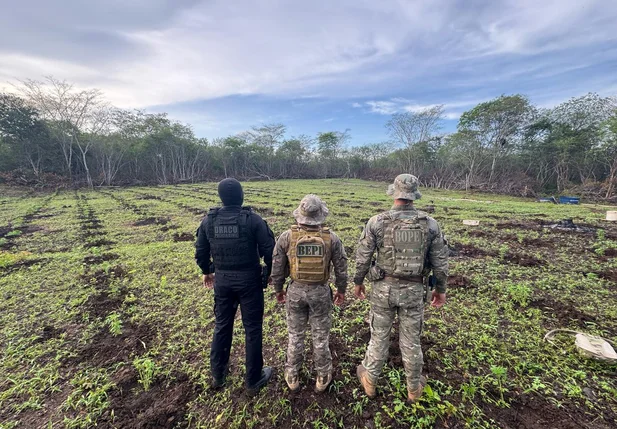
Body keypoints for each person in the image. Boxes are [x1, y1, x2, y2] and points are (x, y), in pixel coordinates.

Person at [353, 174, 449, 402]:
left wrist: (357, 283)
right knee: (411, 340)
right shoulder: (430, 224)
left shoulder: (377, 221)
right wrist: (441, 289)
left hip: (383, 290)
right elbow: (440, 263)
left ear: (394, 193)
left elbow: (362, 257)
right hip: (415, 291)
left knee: (378, 336)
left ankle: (371, 380)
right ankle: (414, 388)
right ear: (414, 195)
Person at [195, 178, 275, 397]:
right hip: (249, 281)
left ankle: (218, 375)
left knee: (222, 325)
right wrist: (269, 274)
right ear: (241, 196)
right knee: (252, 328)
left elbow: (201, 251)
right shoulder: (253, 220)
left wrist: (207, 271)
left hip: (222, 280)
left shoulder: (208, 221)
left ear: (221, 198)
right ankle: (253, 379)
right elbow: (271, 251)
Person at [270, 194, 348, 393]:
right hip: (321, 293)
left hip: (295, 291)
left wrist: (278, 289)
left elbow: (277, 267)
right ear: (321, 215)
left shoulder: (287, 237)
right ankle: (322, 375)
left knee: (295, 335)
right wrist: (341, 290)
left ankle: (292, 374)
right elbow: (341, 267)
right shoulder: (331, 238)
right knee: (321, 336)